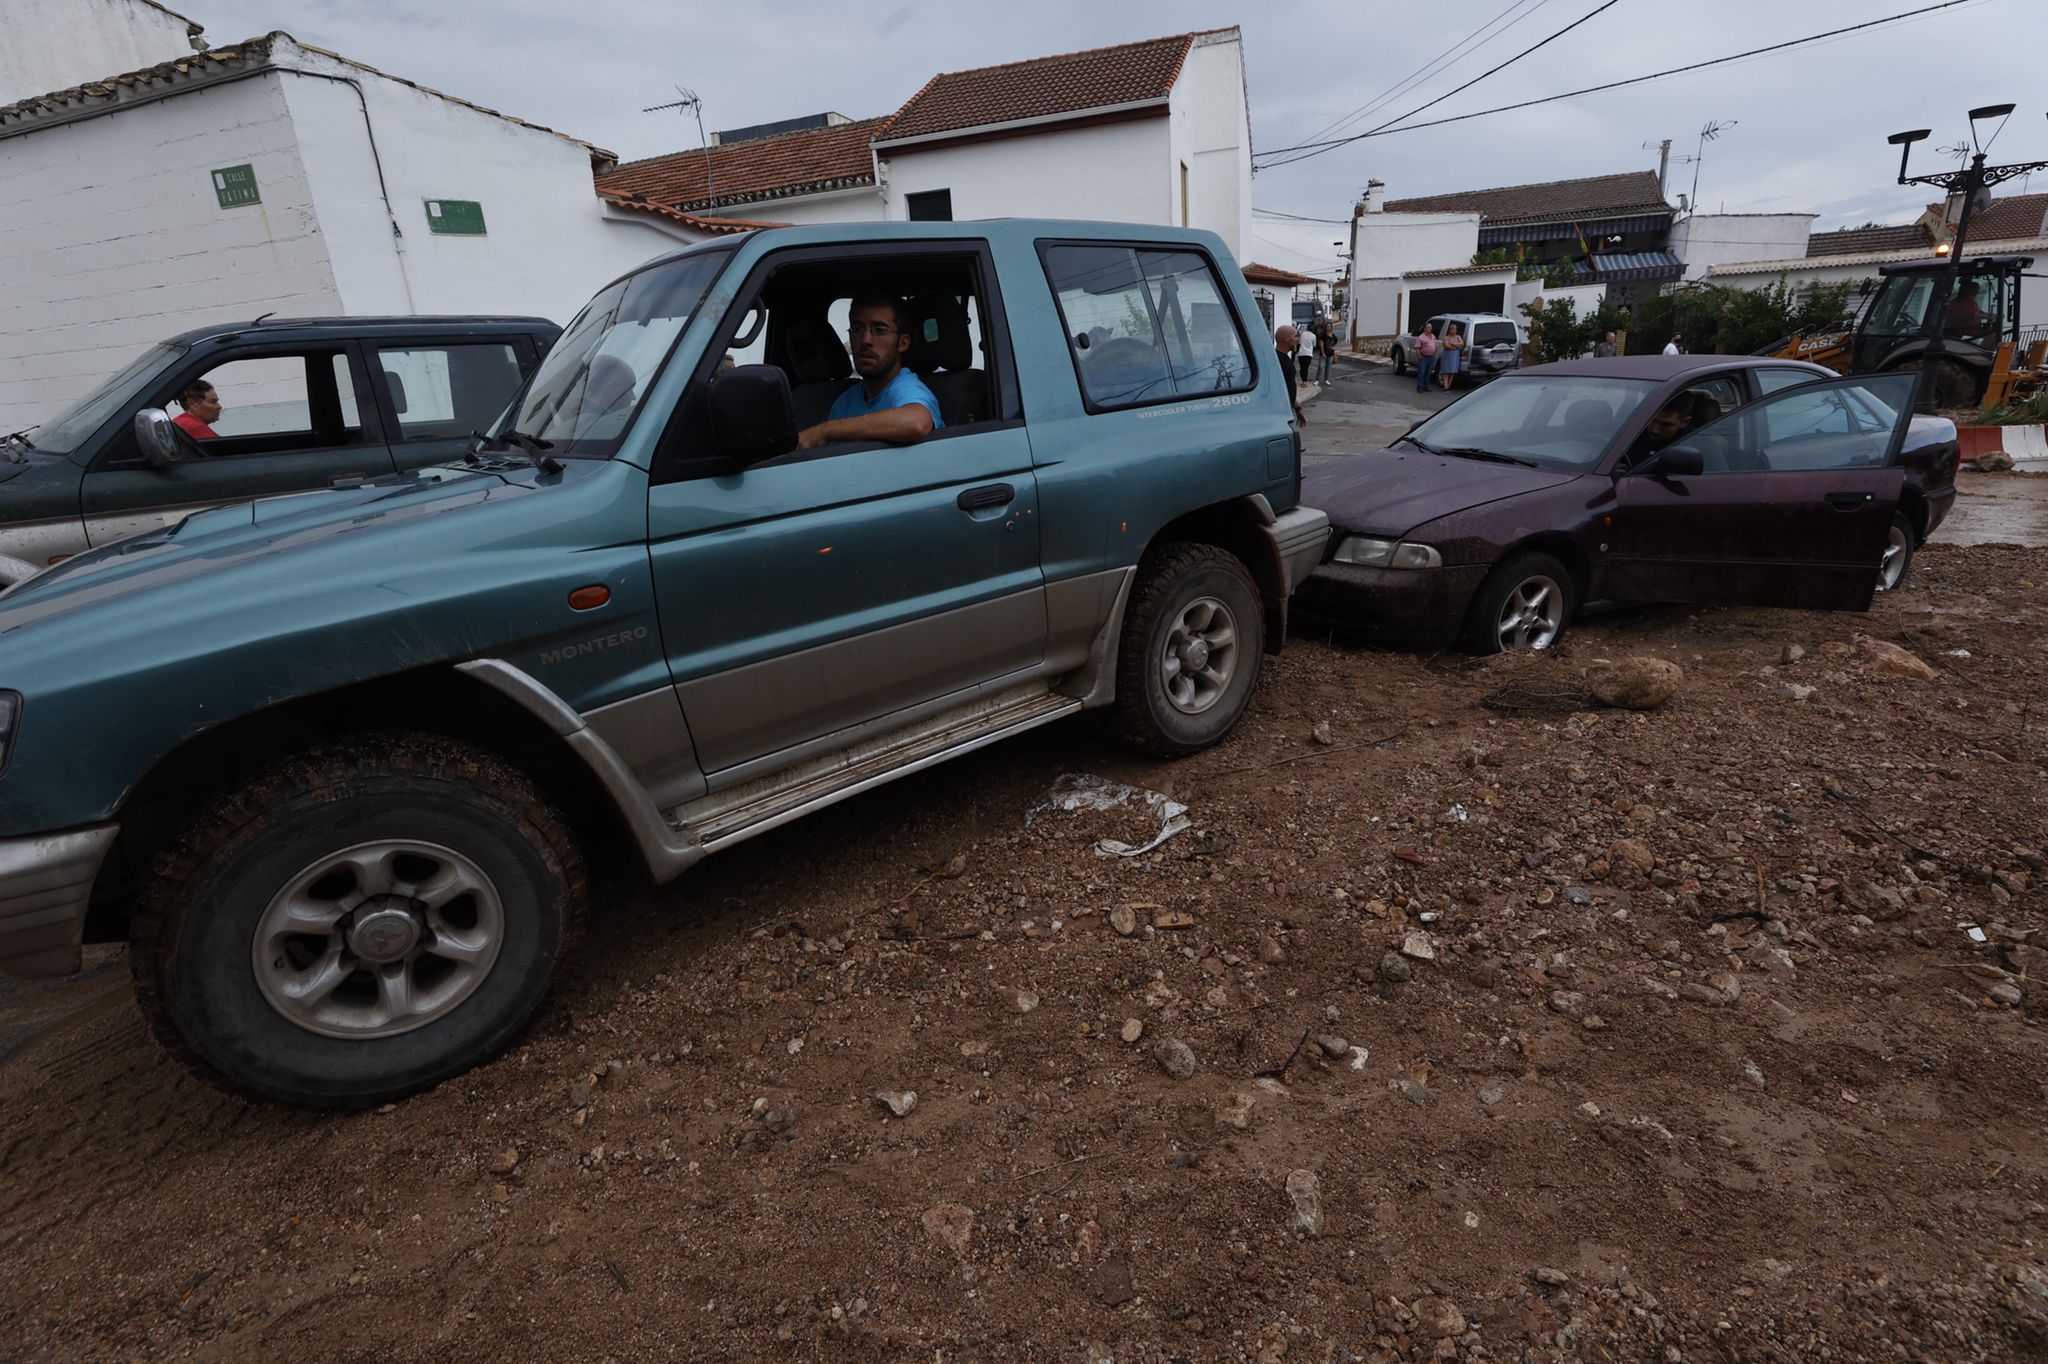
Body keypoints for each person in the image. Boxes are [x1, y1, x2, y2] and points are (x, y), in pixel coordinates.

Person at [798, 294, 942, 451]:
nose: (865, 339)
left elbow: (916, 422)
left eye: (880, 330)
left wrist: (826, 430)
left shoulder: (907, 388)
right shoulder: (844, 402)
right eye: (857, 328)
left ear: (902, 343)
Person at [1275, 323, 1305, 425]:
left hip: (1286, 411)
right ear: (1287, 339)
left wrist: (1297, 408)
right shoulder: (1276, 361)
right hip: (1280, 415)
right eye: (1296, 336)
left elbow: (1287, 387)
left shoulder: (1285, 359)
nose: (1298, 340)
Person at [1413, 322, 1439, 393]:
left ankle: (1426, 386)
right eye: (1428, 327)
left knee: (1428, 373)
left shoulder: (1433, 336)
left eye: (1431, 327)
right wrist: (1420, 357)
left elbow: (1435, 345)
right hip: (1424, 357)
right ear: (1425, 329)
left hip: (1431, 357)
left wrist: (1434, 353)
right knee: (1421, 373)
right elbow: (1417, 347)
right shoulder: (1421, 337)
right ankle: (1420, 387)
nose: (1430, 328)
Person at [1439, 322, 1465, 391]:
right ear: (1450, 330)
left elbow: (1462, 344)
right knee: (1446, 372)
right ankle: (1446, 387)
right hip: (1447, 357)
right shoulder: (1446, 338)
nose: (1455, 330)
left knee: (1452, 372)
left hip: (1455, 357)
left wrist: (1453, 344)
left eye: (1455, 329)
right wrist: (1456, 346)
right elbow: (1446, 346)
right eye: (1453, 329)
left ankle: (1449, 386)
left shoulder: (1458, 337)